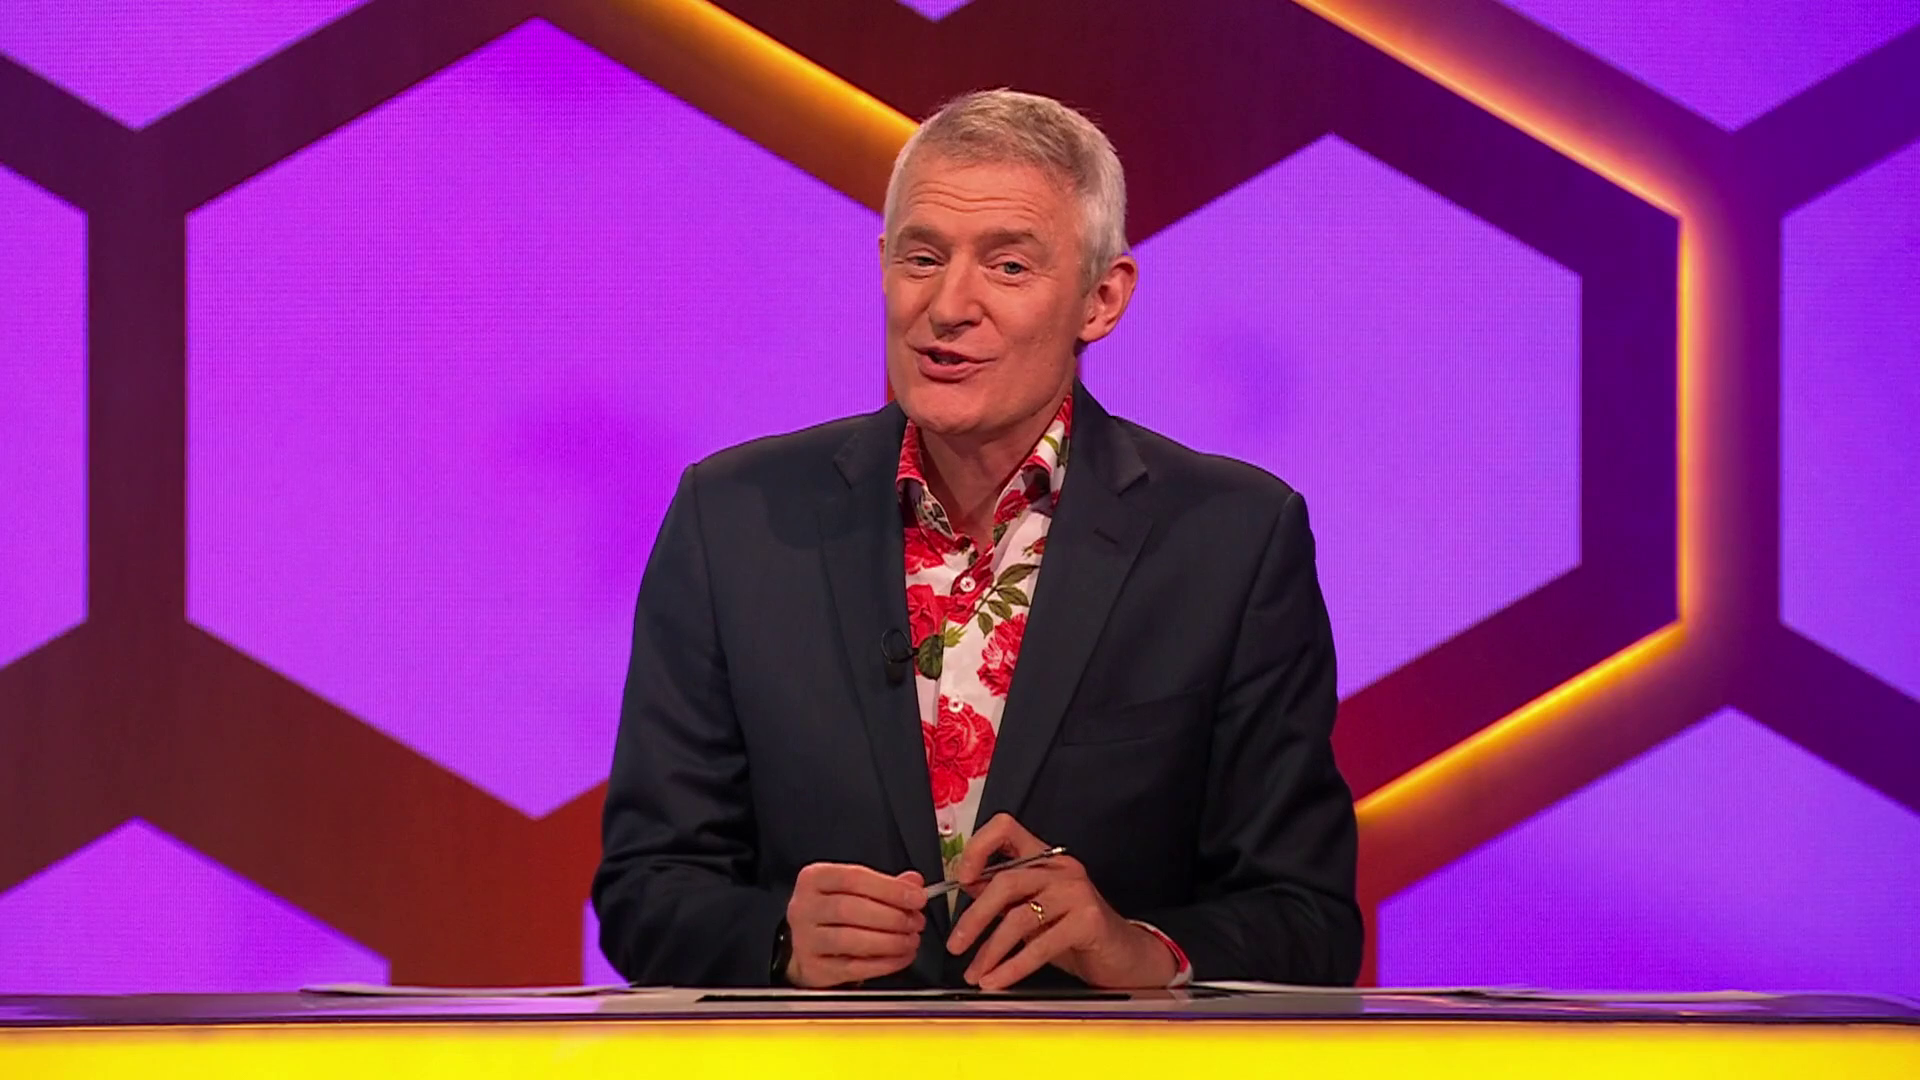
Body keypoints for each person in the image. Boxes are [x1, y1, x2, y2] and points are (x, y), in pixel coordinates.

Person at [592, 89, 1360, 989]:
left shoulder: (1232, 540)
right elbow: (646, 890)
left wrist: (1135, 949)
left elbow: (1306, 919)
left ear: (1101, 300)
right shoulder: (732, 520)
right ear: (884, 267)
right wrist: (778, 940)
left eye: (1008, 266)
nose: (949, 305)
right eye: (922, 257)